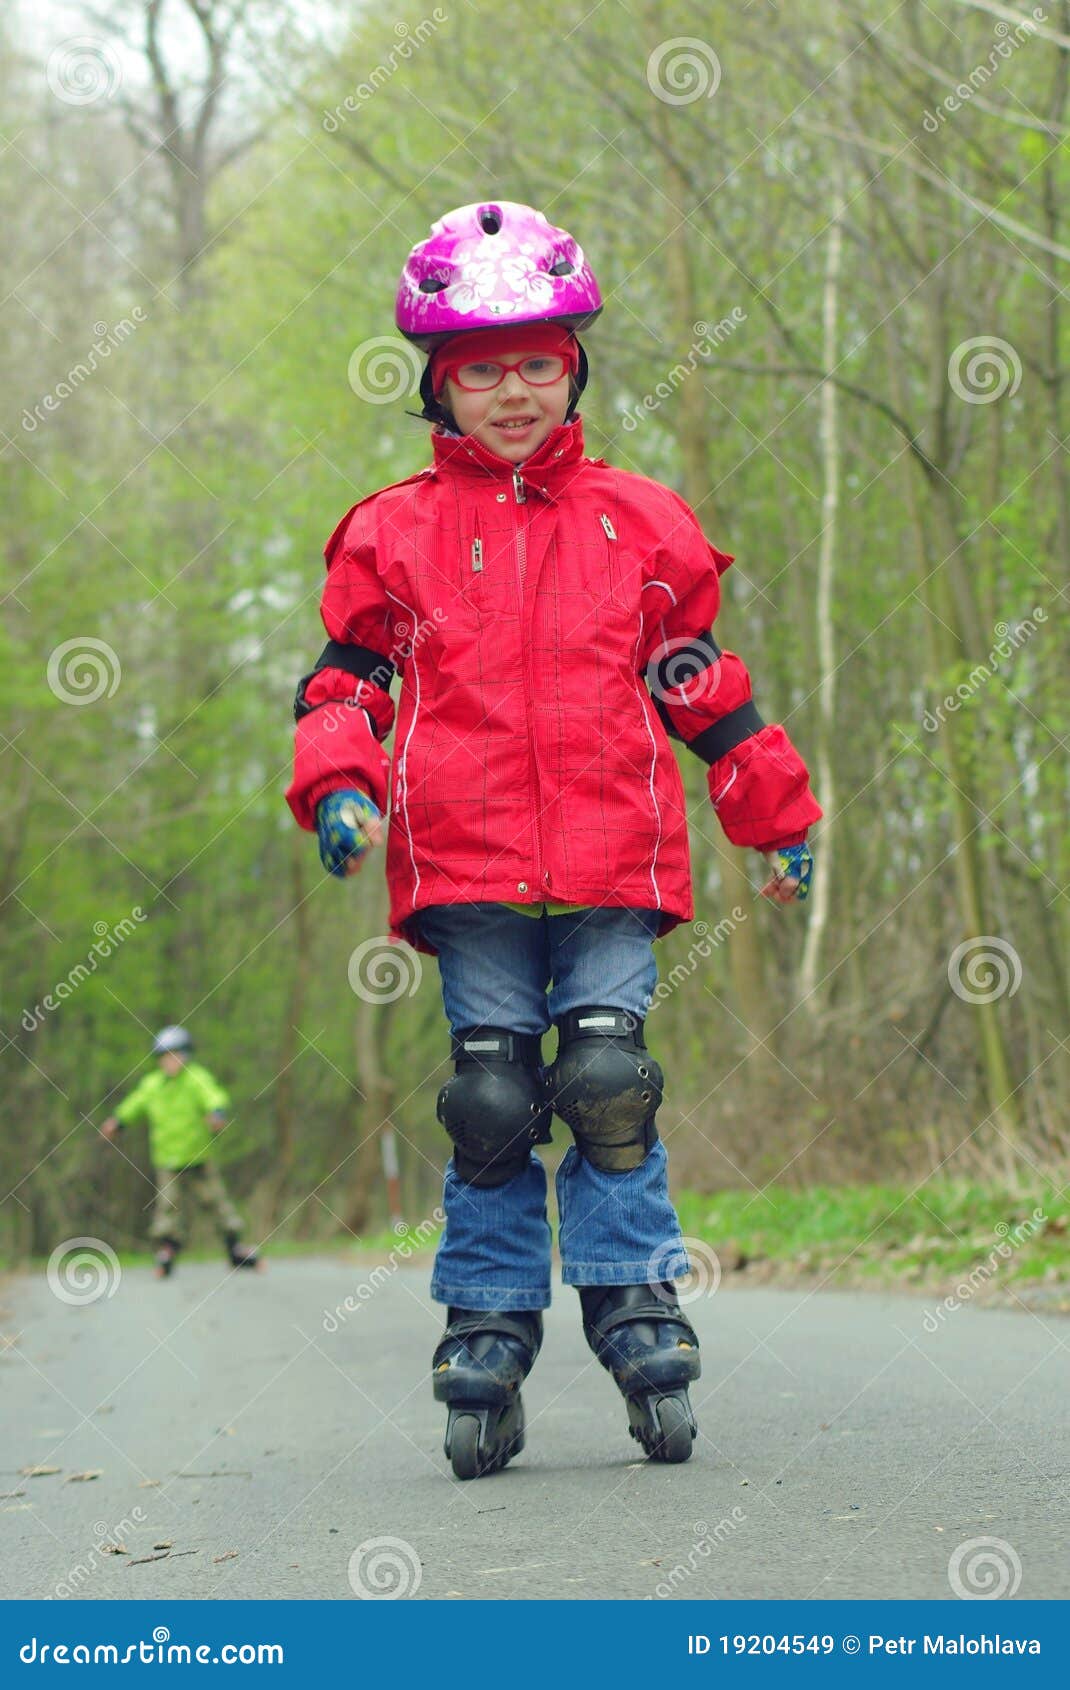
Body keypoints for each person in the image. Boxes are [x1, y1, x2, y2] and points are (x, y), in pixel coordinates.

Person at [285, 201, 820, 1478]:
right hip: (462, 867)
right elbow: (345, 682)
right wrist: (338, 785)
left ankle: (633, 1297)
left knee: (606, 1084)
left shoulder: (636, 522)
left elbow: (694, 677)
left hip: (609, 861)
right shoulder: (391, 531)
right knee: (489, 1102)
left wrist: (773, 806)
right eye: (482, 368)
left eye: (536, 361)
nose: (512, 390)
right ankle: (487, 1319)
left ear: (574, 365)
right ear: (437, 384)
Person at [100, 1026, 261, 1277]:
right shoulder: (152, 1085)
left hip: (198, 1155)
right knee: (168, 1205)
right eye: (165, 1057)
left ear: (186, 1056)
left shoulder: (196, 1078)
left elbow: (213, 1095)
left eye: (175, 1056)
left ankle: (234, 1246)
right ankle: (167, 1249)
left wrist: (217, 1113)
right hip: (168, 1159)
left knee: (216, 1201)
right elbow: (134, 1104)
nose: (171, 1062)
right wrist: (117, 1122)